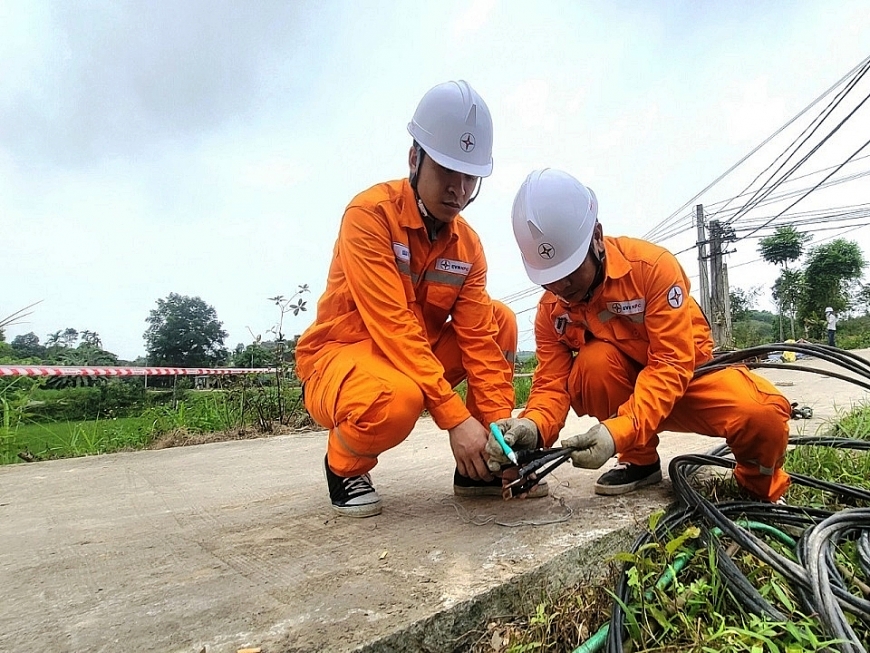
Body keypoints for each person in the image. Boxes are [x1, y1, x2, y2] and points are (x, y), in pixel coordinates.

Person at [295, 80, 537, 519]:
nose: (459, 189)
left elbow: (481, 345)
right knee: (397, 398)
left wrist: (499, 432)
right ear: (414, 158)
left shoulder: (468, 247)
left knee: (497, 320)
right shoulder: (369, 217)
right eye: (447, 170)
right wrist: (454, 418)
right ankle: (343, 463)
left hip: (411, 357)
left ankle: (481, 467)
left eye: (470, 177)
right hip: (343, 358)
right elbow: (393, 325)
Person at [485, 168, 792, 502]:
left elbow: (670, 364)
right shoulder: (552, 311)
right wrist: (534, 425)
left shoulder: (652, 269)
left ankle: (758, 492)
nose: (561, 287)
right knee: (594, 363)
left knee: (762, 414)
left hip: (689, 379)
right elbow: (551, 384)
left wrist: (616, 431)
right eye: (549, 278)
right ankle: (639, 461)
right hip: (632, 392)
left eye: (570, 272)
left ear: (597, 237)